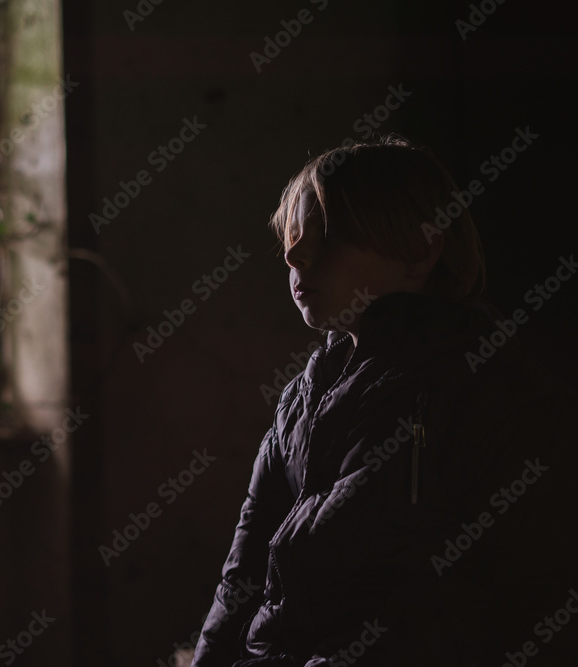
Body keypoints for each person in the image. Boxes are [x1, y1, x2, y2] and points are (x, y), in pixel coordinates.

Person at [190, 136, 578, 667]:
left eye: (327, 233)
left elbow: (542, 598)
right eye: (293, 237)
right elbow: (242, 575)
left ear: (421, 248)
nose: (294, 254)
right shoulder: (298, 402)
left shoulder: (495, 393)